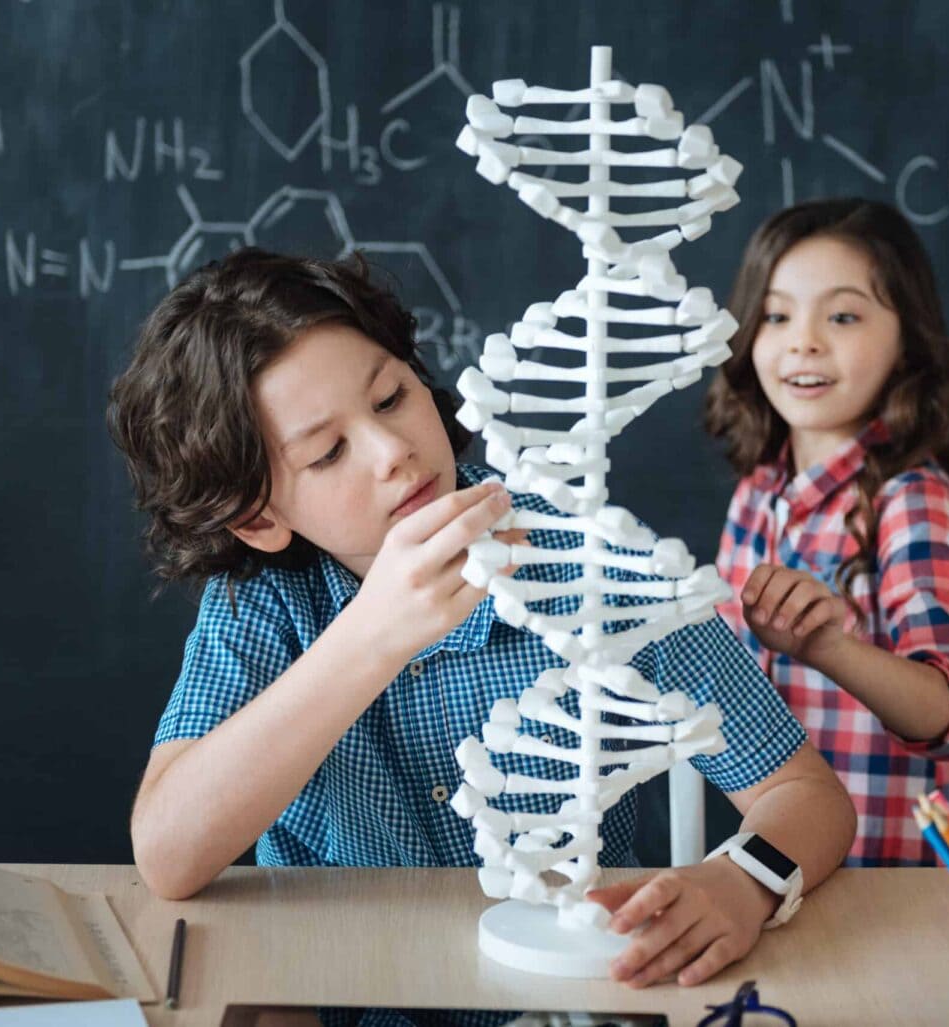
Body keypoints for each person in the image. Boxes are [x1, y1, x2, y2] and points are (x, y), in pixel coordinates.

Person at [106, 249, 856, 1016]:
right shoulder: (260, 601)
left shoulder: (597, 561)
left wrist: (746, 878)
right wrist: (371, 635)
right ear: (261, 518)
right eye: (328, 452)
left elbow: (807, 795)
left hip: (578, 993)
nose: (392, 450)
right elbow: (168, 854)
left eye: (393, 396)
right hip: (344, 990)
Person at [705, 198, 949, 867]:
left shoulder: (910, 499)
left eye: (843, 315)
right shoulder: (756, 497)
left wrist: (830, 645)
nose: (804, 340)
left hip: (905, 883)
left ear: (908, 339)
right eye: (776, 314)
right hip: (794, 871)